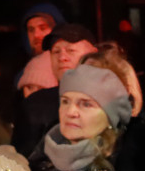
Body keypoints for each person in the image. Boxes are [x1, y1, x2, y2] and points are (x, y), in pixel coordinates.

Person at [11, 23, 99, 157]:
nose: (62, 58)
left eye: (70, 50)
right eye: (56, 52)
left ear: (93, 55)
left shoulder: (113, 100)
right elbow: (19, 161)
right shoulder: (36, 105)